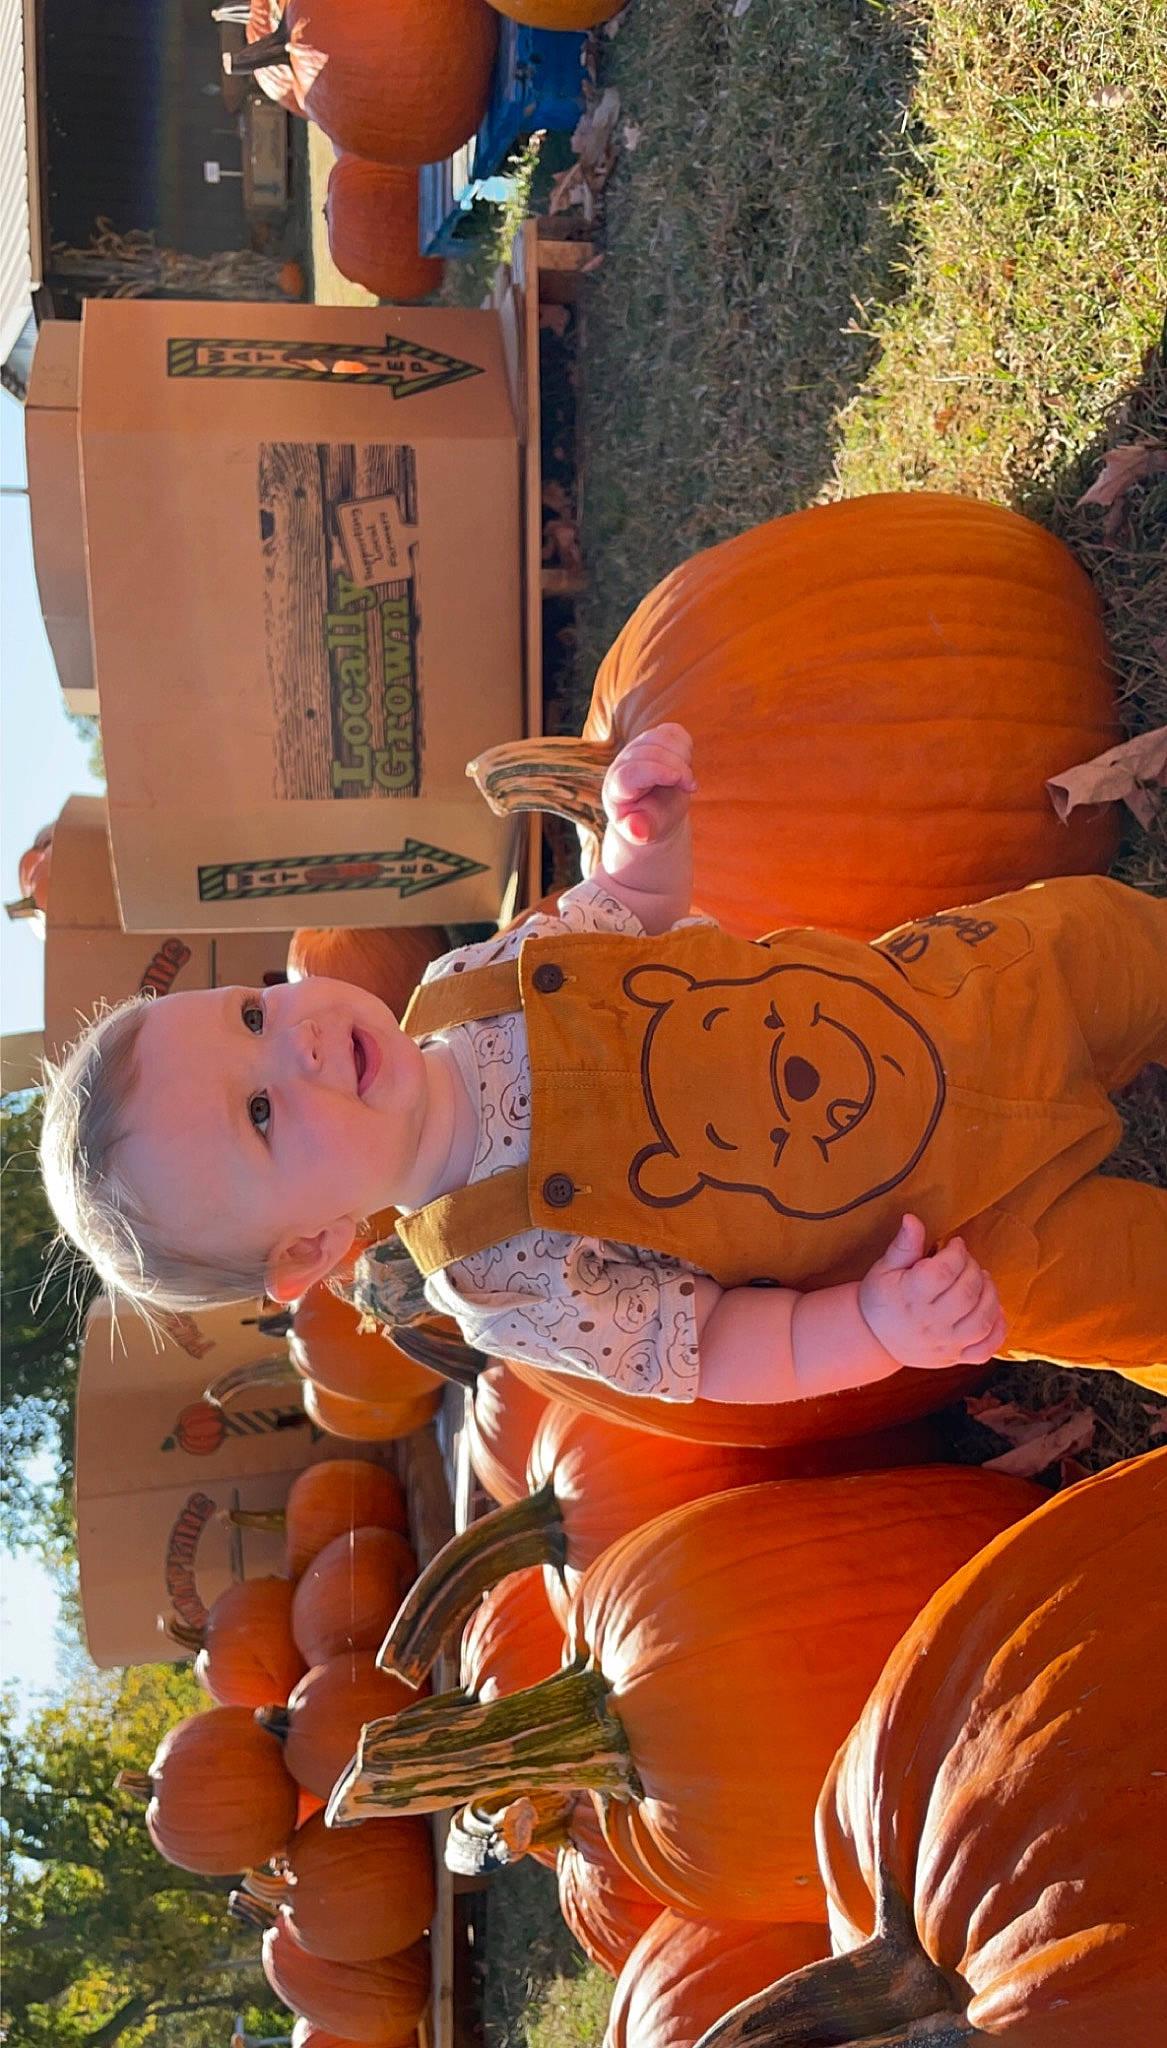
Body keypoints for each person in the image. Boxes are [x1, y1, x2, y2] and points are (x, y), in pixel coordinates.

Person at [41, 725, 1166, 1405]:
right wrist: (877, 1327)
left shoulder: (469, 983)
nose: (297, 1045)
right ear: (314, 1246)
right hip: (963, 1234)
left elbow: (623, 913)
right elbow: (714, 1346)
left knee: (1111, 945)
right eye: (260, 1115)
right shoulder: (498, 1284)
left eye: (250, 1014)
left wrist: (638, 837)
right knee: (1137, 1291)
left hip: (959, 994)